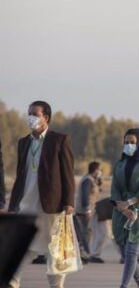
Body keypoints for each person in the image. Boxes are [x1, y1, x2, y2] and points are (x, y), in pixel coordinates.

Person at [8, 100, 77, 288]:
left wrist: (69, 201)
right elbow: (20, 176)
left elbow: (68, 174)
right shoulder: (24, 143)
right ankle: (11, 282)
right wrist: (12, 204)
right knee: (21, 247)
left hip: (52, 206)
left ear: (45, 118)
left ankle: (56, 285)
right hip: (26, 204)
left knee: (55, 250)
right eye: (29, 113)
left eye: (34, 114)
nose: (30, 117)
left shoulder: (60, 140)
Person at [112, 128, 139, 288]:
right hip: (120, 211)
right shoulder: (119, 164)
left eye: (132, 142)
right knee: (125, 252)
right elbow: (114, 188)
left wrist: (129, 202)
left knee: (132, 251)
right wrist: (122, 208)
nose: (129, 145)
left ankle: (124, 286)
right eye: (126, 142)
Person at [74, 161, 103, 262]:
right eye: (99, 170)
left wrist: (99, 182)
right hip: (84, 211)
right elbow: (85, 196)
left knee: (87, 232)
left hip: (87, 210)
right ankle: (84, 254)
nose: (100, 172)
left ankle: (84, 253)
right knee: (86, 233)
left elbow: (95, 193)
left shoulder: (92, 179)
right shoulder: (87, 180)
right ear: (95, 170)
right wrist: (87, 210)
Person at [89, 197, 115, 263]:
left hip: (102, 213)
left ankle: (93, 254)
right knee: (103, 235)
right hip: (100, 213)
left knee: (102, 235)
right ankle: (94, 255)